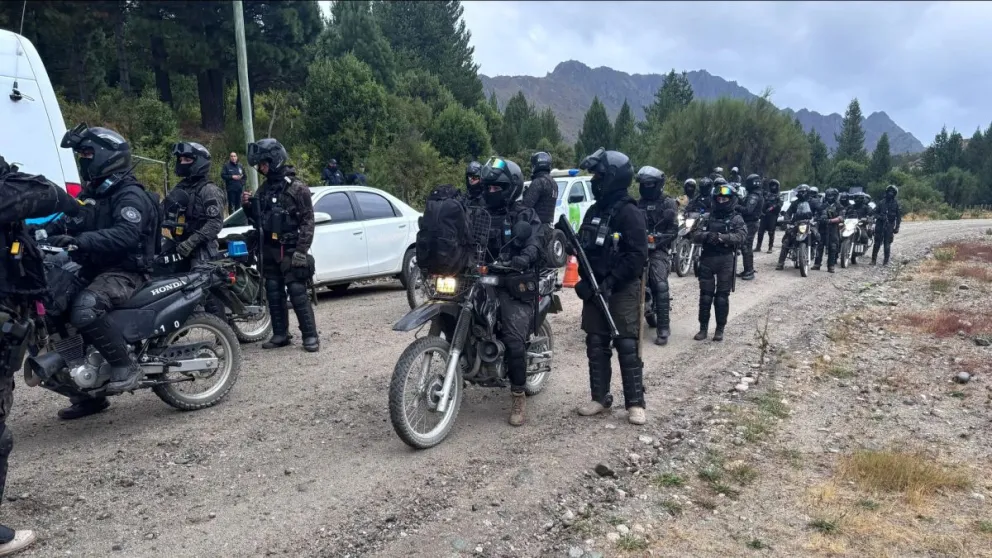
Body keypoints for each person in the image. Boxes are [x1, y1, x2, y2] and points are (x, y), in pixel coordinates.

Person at [47, 124, 159, 420]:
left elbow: (126, 235)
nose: (83, 159)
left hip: (127, 271)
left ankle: (127, 366)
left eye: (87, 153)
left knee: (85, 309)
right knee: (53, 306)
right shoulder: (93, 191)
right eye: (81, 154)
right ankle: (85, 391)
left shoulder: (130, 195)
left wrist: (78, 241)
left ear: (106, 156)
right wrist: (40, 231)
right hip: (95, 266)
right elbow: (72, 217)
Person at [573, 148, 648, 425]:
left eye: (599, 176)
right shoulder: (594, 210)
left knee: (626, 344)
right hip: (595, 288)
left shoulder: (629, 213)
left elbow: (637, 256)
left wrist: (611, 281)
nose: (594, 180)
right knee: (595, 342)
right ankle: (600, 398)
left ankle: (635, 403)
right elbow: (583, 248)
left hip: (621, 288)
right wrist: (586, 279)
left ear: (614, 178)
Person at [478, 158, 547, 426]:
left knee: (514, 341)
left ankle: (518, 394)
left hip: (512, 283)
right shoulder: (478, 213)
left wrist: (524, 256)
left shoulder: (523, 215)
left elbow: (536, 241)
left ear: (511, 187)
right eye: (488, 187)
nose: (491, 192)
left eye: (497, 188)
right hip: (481, 280)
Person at [242, 138, 319, 352]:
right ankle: (280, 334)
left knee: (297, 290)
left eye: (264, 163)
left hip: (292, 248)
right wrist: (248, 206)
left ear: (274, 159)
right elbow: (257, 221)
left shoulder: (297, 188)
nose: (261, 168)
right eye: (259, 165)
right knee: (273, 291)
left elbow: (308, 221)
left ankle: (310, 336)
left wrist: (302, 251)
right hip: (270, 249)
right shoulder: (264, 190)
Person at [692, 180, 746, 341]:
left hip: (726, 260)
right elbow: (693, 234)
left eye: (725, 199)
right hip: (708, 258)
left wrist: (723, 238)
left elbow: (742, 236)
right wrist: (707, 235)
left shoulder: (736, 218)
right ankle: (703, 329)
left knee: (722, 298)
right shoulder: (707, 217)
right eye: (719, 198)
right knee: (705, 296)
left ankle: (720, 329)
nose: (722, 201)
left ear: (731, 200)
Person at [164, 142, 226, 267]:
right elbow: (164, 208)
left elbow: (215, 223)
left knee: (198, 283)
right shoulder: (180, 187)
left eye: (187, 159)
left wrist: (191, 243)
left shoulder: (209, 190)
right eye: (180, 160)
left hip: (202, 252)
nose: (182, 163)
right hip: (177, 246)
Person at [636, 166, 678, 345]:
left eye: (649, 184)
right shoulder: (638, 204)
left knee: (660, 284)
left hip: (658, 250)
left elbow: (673, 230)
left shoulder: (668, 203)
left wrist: (657, 241)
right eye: (643, 184)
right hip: (637, 250)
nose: (645, 187)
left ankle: (663, 327)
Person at [775, 184, 814, 270]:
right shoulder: (795, 203)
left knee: (817, 236)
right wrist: (787, 220)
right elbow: (788, 213)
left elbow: (820, 210)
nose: (801, 194)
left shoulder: (812, 202)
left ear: (807, 192)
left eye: (802, 192)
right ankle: (780, 263)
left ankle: (817, 260)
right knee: (786, 240)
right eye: (799, 192)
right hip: (797, 224)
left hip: (810, 223)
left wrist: (821, 217)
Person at [737, 174, 765, 280]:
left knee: (746, 246)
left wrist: (737, 207)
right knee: (745, 246)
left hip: (751, 223)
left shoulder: (754, 195)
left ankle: (749, 271)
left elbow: (748, 210)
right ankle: (747, 270)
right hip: (751, 223)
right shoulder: (755, 194)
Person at [523, 151, 559, 225]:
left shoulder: (538, 182)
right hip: (547, 226)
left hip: (536, 227)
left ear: (535, 165)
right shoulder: (554, 183)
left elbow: (526, 206)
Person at [813, 187, 844, 272]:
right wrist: (818, 219)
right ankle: (817, 264)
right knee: (819, 246)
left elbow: (841, 217)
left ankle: (831, 266)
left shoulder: (839, 206)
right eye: (828, 195)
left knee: (833, 247)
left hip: (833, 228)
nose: (830, 197)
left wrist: (830, 220)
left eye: (832, 195)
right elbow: (816, 215)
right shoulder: (822, 205)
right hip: (822, 228)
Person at [872, 184, 902, 265]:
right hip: (879, 225)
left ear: (895, 193)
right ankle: (873, 260)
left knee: (887, 244)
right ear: (887, 192)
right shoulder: (881, 202)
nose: (890, 193)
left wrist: (897, 227)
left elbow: (898, 217)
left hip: (889, 226)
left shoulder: (896, 204)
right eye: (889, 191)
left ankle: (885, 261)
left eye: (892, 192)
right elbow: (874, 213)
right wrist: (880, 217)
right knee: (877, 243)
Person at [755, 179, 782, 253]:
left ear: (777, 187)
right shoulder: (766, 194)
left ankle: (770, 247)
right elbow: (762, 197)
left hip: (772, 216)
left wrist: (772, 207)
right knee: (760, 232)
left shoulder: (778, 196)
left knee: (771, 232)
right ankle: (758, 246)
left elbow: (779, 205)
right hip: (764, 216)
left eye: (774, 185)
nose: (773, 187)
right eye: (772, 185)